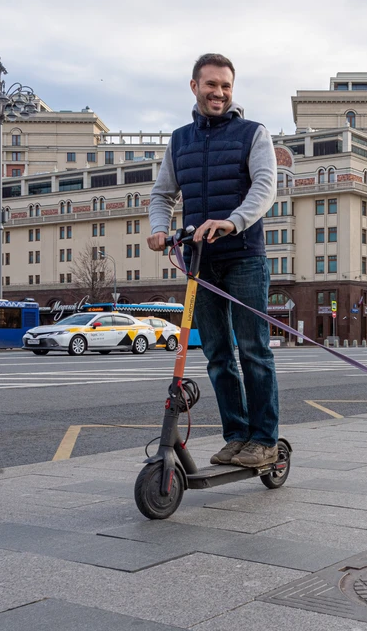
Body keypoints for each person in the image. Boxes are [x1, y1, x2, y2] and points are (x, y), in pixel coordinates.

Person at [148, 53, 279, 468]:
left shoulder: (252, 133)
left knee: (254, 350)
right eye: (211, 85)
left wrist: (232, 222)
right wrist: (157, 227)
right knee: (218, 354)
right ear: (194, 87)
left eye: (226, 86)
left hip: (243, 256)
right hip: (199, 261)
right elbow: (161, 194)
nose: (219, 92)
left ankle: (264, 439)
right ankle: (237, 435)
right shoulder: (180, 139)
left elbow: (265, 187)